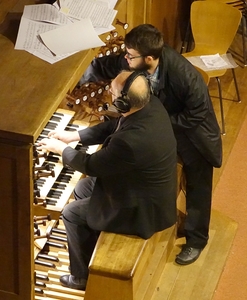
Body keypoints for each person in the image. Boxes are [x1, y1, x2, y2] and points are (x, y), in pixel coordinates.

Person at [78, 24, 223, 265]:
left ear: (149, 58)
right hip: (158, 123)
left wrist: (158, 124)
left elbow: (196, 115)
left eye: (130, 56)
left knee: (198, 187)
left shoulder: (185, 77)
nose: (125, 59)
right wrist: (80, 79)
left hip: (192, 134)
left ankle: (197, 240)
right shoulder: (134, 59)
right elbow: (106, 65)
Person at [38, 70, 177, 290]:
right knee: (83, 187)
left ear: (122, 103)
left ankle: (82, 278)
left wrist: (61, 149)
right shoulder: (151, 106)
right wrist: (75, 136)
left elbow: (91, 165)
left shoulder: (130, 143)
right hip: (143, 186)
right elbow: (114, 126)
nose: (109, 94)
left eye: (111, 92)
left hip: (142, 210)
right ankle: (91, 239)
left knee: (71, 213)